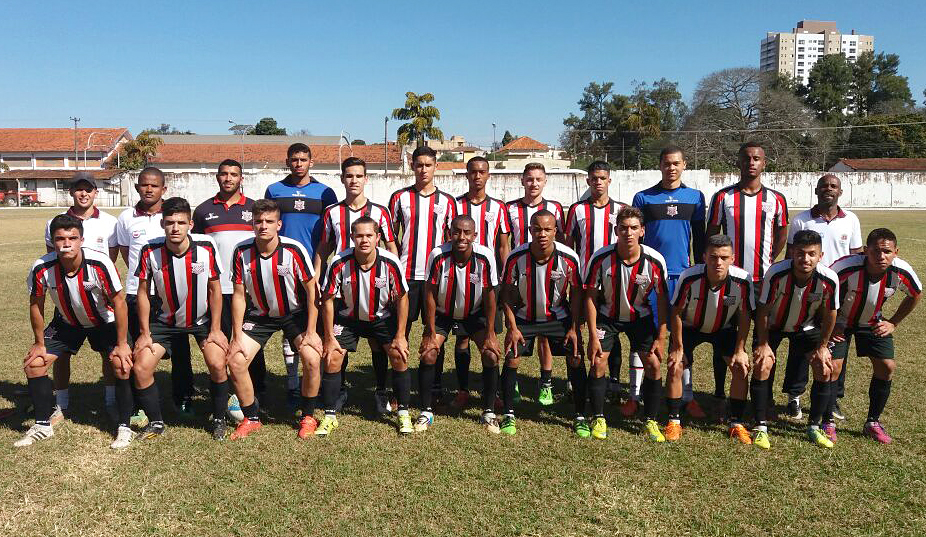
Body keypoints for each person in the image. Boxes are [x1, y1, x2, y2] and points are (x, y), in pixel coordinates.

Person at [18, 214, 133, 449]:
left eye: (72, 238)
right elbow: (36, 304)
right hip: (67, 323)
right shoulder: (42, 267)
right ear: (53, 240)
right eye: (60, 238)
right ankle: (43, 424)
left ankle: (123, 424)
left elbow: (119, 302)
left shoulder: (100, 263)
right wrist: (39, 342)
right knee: (34, 364)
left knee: (121, 364)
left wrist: (122, 343)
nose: (66, 243)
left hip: (104, 321)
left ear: (82, 239)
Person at [132, 198, 229, 441]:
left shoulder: (206, 247)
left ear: (190, 224)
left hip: (201, 321)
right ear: (162, 224)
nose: (175, 228)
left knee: (217, 364)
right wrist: (144, 333)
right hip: (164, 323)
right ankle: (155, 422)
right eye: (170, 223)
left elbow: (215, 289)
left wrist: (216, 328)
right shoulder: (150, 250)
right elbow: (143, 293)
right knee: (141, 367)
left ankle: (219, 418)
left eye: (181, 223)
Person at [225, 199, 323, 440]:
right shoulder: (241, 251)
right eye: (258, 221)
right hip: (260, 316)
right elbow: (238, 295)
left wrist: (311, 331)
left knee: (311, 357)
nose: (263, 226)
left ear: (279, 224)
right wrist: (236, 336)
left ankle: (308, 416)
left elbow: (312, 291)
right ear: (252, 223)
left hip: (294, 314)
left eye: (269, 221)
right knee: (236, 361)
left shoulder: (293, 249)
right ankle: (251, 417)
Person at [707, 142, 788, 413]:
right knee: (726, 336)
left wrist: (769, 261)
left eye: (757, 158)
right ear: (739, 162)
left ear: (764, 163)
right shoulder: (723, 197)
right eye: (746, 158)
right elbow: (712, 235)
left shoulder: (776, 199)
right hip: (729, 280)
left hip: (761, 281)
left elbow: (781, 235)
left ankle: (761, 397)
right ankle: (720, 394)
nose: (751, 163)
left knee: (763, 339)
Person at [315, 157, 398, 414]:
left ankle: (381, 390)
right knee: (340, 341)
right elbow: (324, 247)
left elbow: (391, 246)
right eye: (349, 176)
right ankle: (340, 391)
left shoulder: (380, 212)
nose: (354, 180)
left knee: (378, 342)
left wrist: (397, 279)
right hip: (342, 285)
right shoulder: (332, 212)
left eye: (359, 176)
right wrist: (318, 275)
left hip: (375, 286)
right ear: (342, 179)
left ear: (366, 179)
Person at [632, 146, 709, 419]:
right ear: (660, 165)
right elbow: (636, 239)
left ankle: (686, 395)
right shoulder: (643, 198)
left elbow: (700, 238)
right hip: (650, 275)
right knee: (644, 331)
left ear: (684, 165)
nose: (671, 168)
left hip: (682, 275)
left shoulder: (695, 198)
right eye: (666, 163)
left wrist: (699, 270)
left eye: (676, 163)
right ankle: (636, 394)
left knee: (681, 336)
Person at [318, 216, 412, 435]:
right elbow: (328, 298)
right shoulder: (339, 261)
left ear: (378, 237)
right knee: (332, 357)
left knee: (399, 354)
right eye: (359, 235)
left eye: (369, 235)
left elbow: (402, 298)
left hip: (380, 317)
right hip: (348, 318)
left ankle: (403, 413)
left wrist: (400, 335)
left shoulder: (390, 262)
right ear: (352, 237)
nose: (364, 240)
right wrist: (329, 336)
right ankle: (330, 416)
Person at [115, 167, 194, 421]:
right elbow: (128, 254)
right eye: (144, 185)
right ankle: (140, 405)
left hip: (169, 294)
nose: (149, 189)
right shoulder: (126, 217)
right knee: (138, 347)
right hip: (136, 293)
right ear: (137, 187)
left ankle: (182, 399)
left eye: (154, 185)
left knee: (180, 351)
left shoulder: (172, 215)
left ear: (164, 189)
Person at [263, 143, 337, 412]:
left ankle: (317, 382)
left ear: (311, 162)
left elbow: (330, 233)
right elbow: (268, 223)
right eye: (294, 159)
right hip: (281, 268)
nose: (298, 164)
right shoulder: (274, 190)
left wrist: (320, 265)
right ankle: (293, 384)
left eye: (303, 159)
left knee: (314, 326)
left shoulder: (325, 192)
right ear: (287, 161)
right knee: (289, 323)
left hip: (314, 269)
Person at [585, 207, 669, 442]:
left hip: (640, 319)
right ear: (616, 231)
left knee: (652, 364)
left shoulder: (654, 260)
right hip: (607, 317)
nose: (628, 233)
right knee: (598, 361)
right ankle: (599, 417)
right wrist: (592, 334)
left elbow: (662, 300)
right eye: (623, 228)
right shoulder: (601, 258)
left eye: (634, 228)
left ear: (642, 231)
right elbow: (590, 296)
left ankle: (650, 421)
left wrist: (661, 336)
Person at [829, 228, 920, 444]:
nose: (881, 256)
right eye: (876, 251)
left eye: (887, 252)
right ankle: (827, 422)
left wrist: (893, 322)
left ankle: (872, 422)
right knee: (832, 367)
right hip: (840, 321)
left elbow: (915, 294)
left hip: (872, 322)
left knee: (887, 366)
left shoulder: (901, 271)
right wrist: (830, 325)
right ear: (865, 251)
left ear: (896, 252)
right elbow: (823, 292)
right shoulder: (845, 268)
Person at [500, 210, 584, 436]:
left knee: (575, 357)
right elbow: (506, 293)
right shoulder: (516, 257)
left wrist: (575, 328)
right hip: (525, 318)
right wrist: (512, 327)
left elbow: (576, 294)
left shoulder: (568, 258)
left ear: (555, 231)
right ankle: (508, 414)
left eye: (548, 229)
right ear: (530, 231)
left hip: (557, 318)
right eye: (537, 229)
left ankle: (580, 415)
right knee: (512, 358)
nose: (542, 234)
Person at [43, 172, 119, 421]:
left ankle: (110, 401)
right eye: (78, 189)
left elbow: (113, 256)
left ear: (96, 192)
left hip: (99, 298)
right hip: (68, 297)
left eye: (88, 189)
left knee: (107, 351)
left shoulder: (109, 221)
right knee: (61, 353)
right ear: (71, 193)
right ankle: (61, 404)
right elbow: (53, 257)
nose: (83, 194)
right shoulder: (56, 221)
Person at [752, 230, 839, 449]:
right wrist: (763, 344)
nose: (805, 259)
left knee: (824, 367)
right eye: (800, 253)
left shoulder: (829, 278)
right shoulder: (776, 273)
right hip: (773, 326)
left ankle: (814, 427)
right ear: (792, 253)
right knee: (763, 364)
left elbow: (830, 314)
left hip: (806, 327)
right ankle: (760, 426)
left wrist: (822, 347)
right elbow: (763, 309)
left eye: (812, 254)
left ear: (820, 255)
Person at [786, 173, 862, 420]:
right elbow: (791, 258)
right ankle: (794, 396)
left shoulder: (850, 220)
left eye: (833, 186)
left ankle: (832, 398)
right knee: (801, 344)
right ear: (816, 190)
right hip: (806, 293)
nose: (828, 189)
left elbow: (857, 257)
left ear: (840, 192)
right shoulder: (801, 220)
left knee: (838, 343)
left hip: (837, 295)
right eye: (824, 186)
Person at [668, 235, 754, 443]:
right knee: (675, 364)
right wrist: (678, 346)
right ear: (704, 257)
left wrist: (741, 349)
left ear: (732, 258)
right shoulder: (689, 277)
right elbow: (676, 312)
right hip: (690, 327)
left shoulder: (743, 280)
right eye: (713, 257)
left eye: (724, 257)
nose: (718, 262)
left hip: (723, 329)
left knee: (740, 367)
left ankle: (736, 422)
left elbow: (744, 315)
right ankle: (674, 421)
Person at [419, 215, 501, 432]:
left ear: (474, 235)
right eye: (457, 232)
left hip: (474, 314)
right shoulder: (438, 255)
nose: (461, 237)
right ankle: (426, 411)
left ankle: (489, 412)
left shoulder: (485, 257)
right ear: (450, 233)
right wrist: (429, 329)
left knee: (491, 354)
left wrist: (491, 332)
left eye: (467, 233)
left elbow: (490, 294)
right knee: (429, 352)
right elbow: (429, 292)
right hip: (444, 313)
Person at [388, 145, 456, 403]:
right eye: (419, 165)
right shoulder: (399, 198)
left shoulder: (448, 202)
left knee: (435, 332)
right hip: (406, 276)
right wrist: (395, 265)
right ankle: (398, 391)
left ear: (436, 166)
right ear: (412, 166)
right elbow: (390, 235)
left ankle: (435, 386)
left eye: (428, 165)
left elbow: (451, 239)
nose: (423, 169)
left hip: (436, 278)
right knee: (399, 333)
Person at [192, 159, 256, 423]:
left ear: (241, 178)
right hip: (217, 289)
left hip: (248, 288)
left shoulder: (253, 208)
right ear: (217, 177)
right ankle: (224, 397)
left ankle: (254, 393)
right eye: (224, 174)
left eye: (234, 174)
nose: (228, 178)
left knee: (249, 344)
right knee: (221, 342)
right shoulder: (204, 210)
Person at [565, 161, 628, 408]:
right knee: (576, 331)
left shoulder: (621, 209)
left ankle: (613, 381)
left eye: (603, 178)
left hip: (613, 280)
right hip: (582, 282)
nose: (598, 182)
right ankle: (575, 382)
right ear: (588, 181)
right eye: (594, 178)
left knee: (612, 330)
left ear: (609, 181)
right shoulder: (577, 210)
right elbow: (568, 244)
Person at [451, 156, 510, 410]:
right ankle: (463, 389)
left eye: (482, 172)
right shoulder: (455, 205)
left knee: (490, 337)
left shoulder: (498, 207)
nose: (477, 176)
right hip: (459, 277)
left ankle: (492, 392)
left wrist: (505, 277)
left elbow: (503, 245)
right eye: (473, 172)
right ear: (467, 174)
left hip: (489, 282)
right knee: (461, 338)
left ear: (488, 176)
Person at [505, 163, 565, 404]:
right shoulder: (510, 208)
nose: (534, 183)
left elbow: (560, 244)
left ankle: (546, 383)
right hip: (520, 273)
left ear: (545, 181)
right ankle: (514, 384)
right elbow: (504, 243)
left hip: (546, 275)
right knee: (517, 330)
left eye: (538, 179)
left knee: (545, 335)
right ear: (522, 181)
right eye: (529, 179)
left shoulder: (555, 208)